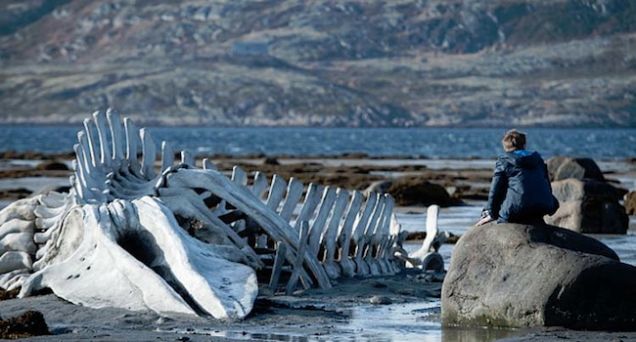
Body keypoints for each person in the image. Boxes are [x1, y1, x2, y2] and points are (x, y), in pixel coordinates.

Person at [476, 129, 559, 226]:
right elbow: (547, 186)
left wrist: (491, 213)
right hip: (544, 206)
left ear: (505, 146)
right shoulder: (538, 160)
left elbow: (495, 191)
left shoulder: (504, 161)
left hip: (517, 209)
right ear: (524, 145)